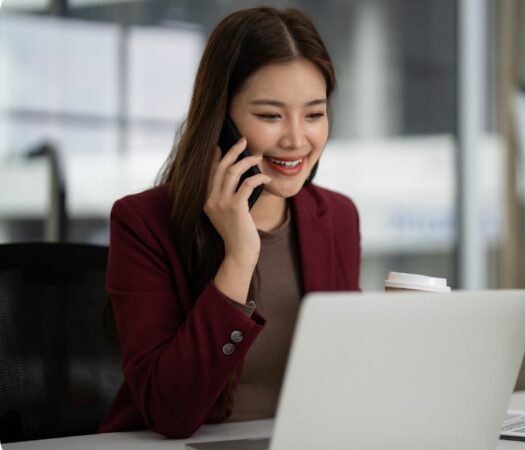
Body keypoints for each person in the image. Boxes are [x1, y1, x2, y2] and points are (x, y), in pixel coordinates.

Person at [99, 7, 360, 438]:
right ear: (222, 120)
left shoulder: (337, 217)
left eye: (314, 114)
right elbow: (169, 413)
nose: (297, 139)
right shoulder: (142, 224)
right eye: (271, 116)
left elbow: (341, 375)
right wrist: (239, 257)